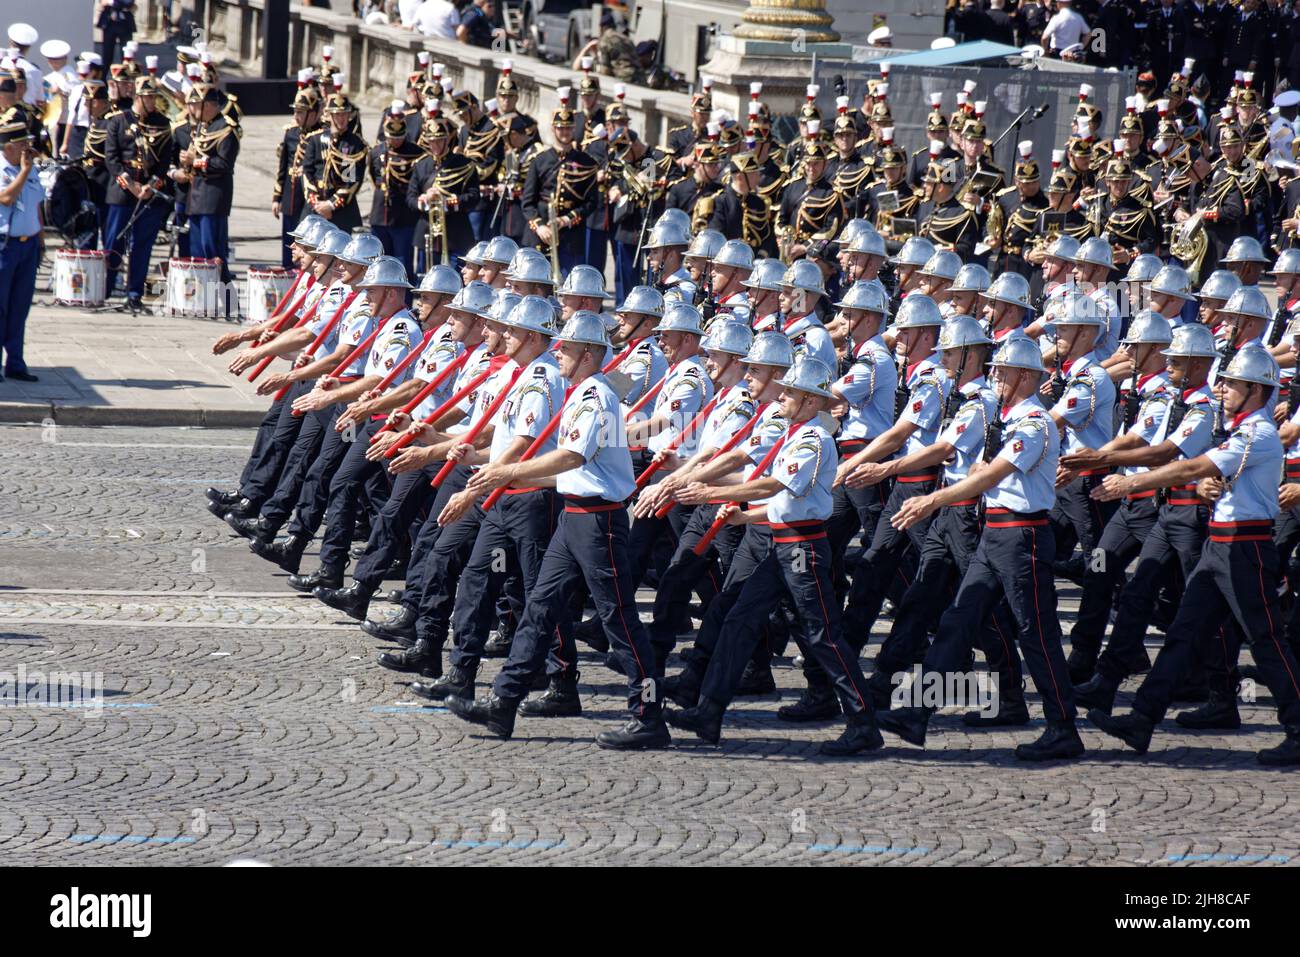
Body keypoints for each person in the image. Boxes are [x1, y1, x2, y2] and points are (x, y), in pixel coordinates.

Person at [446, 312, 672, 750]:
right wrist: (510, 476)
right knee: (540, 607)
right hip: (575, 514)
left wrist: (509, 470)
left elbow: (572, 457)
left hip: (599, 521)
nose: (558, 352)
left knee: (618, 618)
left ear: (588, 354)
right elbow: (567, 471)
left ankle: (648, 714)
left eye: (566, 347)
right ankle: (504, 701)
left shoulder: (595, 396)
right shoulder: (585, 391)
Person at [0, 115, 42, 383]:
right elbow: (5, 198)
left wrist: (41, 239)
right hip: (5, 246)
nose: (28, 149)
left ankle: (15, 362)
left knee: (19, 307)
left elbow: (38, 204)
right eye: (23, 144)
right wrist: (25, 172)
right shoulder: (3, 169)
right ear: (8, 147)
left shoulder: (31, 168)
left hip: (28, 246)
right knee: (0, 307)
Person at [95, 2, 137, 74]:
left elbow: (129, 3)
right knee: (107, 53)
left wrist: (113, 2)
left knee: (126, 53)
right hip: (109, 23)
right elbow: (103, 2)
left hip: (125, 23)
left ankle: (126, 75)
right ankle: (103, 77)